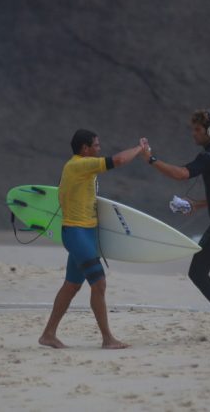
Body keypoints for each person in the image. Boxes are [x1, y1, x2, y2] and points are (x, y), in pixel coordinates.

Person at [141, 108, 210, 341]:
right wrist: (196, 205)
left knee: (197, 271)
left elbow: (182, 174)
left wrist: (151, 159)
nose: (194, 134)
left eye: (198, 130)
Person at [39, 129, 146, 349]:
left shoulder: (79, 167)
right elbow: (118, 160)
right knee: (99, 283)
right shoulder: (79, 165)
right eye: (96, 146)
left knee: (71, 286)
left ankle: (48, 334)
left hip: (85, 234)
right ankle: (107, 339)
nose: (99, 149)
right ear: (85, 148)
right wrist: (140, 148)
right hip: (77, 234)